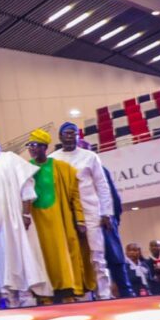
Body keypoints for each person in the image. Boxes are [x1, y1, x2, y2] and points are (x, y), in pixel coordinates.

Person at [0, 125, 51, 307]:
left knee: (18, 254)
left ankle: (26, 297)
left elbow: (27, 187)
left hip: (12, 220)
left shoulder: (11, 159)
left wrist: (26, 214)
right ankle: (10, 300)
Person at [25, 129, 93, 302]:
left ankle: (66, 293)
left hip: (59, 219)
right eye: (29, 145)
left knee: (62, 256)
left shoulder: (63, 168)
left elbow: (75, 195)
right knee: (40, 256)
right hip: (36, 222)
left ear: (44, 147)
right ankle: (44, 296)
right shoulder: (24, 169)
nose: (31, 148)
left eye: (35, 145)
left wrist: (80, 219)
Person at [50, 122, 113, 300]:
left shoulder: (90, 157)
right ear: (60, 137)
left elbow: (102, 185)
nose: (70, 136)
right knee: (74, 255)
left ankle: (104, 294)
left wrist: (106, 212)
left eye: (74, 133)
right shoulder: (53, 159)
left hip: (90, 211)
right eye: (67, 133)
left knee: (96, 254)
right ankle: (82, 296)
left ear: (78, 137)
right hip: (67, 214)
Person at [101, 165, 134, 298]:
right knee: (114, 259)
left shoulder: (98, 167)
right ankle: (126, 292)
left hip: (103, 220)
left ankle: (125, 292)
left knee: (114, 260)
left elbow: (113, 197)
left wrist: (114, 219)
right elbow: (115, 198)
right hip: (106, 220)